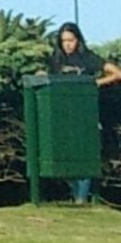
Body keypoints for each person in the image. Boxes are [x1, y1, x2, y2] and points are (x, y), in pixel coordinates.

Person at [49, 22, 121, 203]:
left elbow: (116, 73)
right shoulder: (56, 60)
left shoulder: (88, 58)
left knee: (84, 155)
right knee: (63, 155)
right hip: (63, 114)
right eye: (64, 41)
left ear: (78, 40)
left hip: (85, 114)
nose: (67, 44)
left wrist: (95, 83)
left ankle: (81, 199)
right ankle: (75, 195)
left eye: (71, 40)